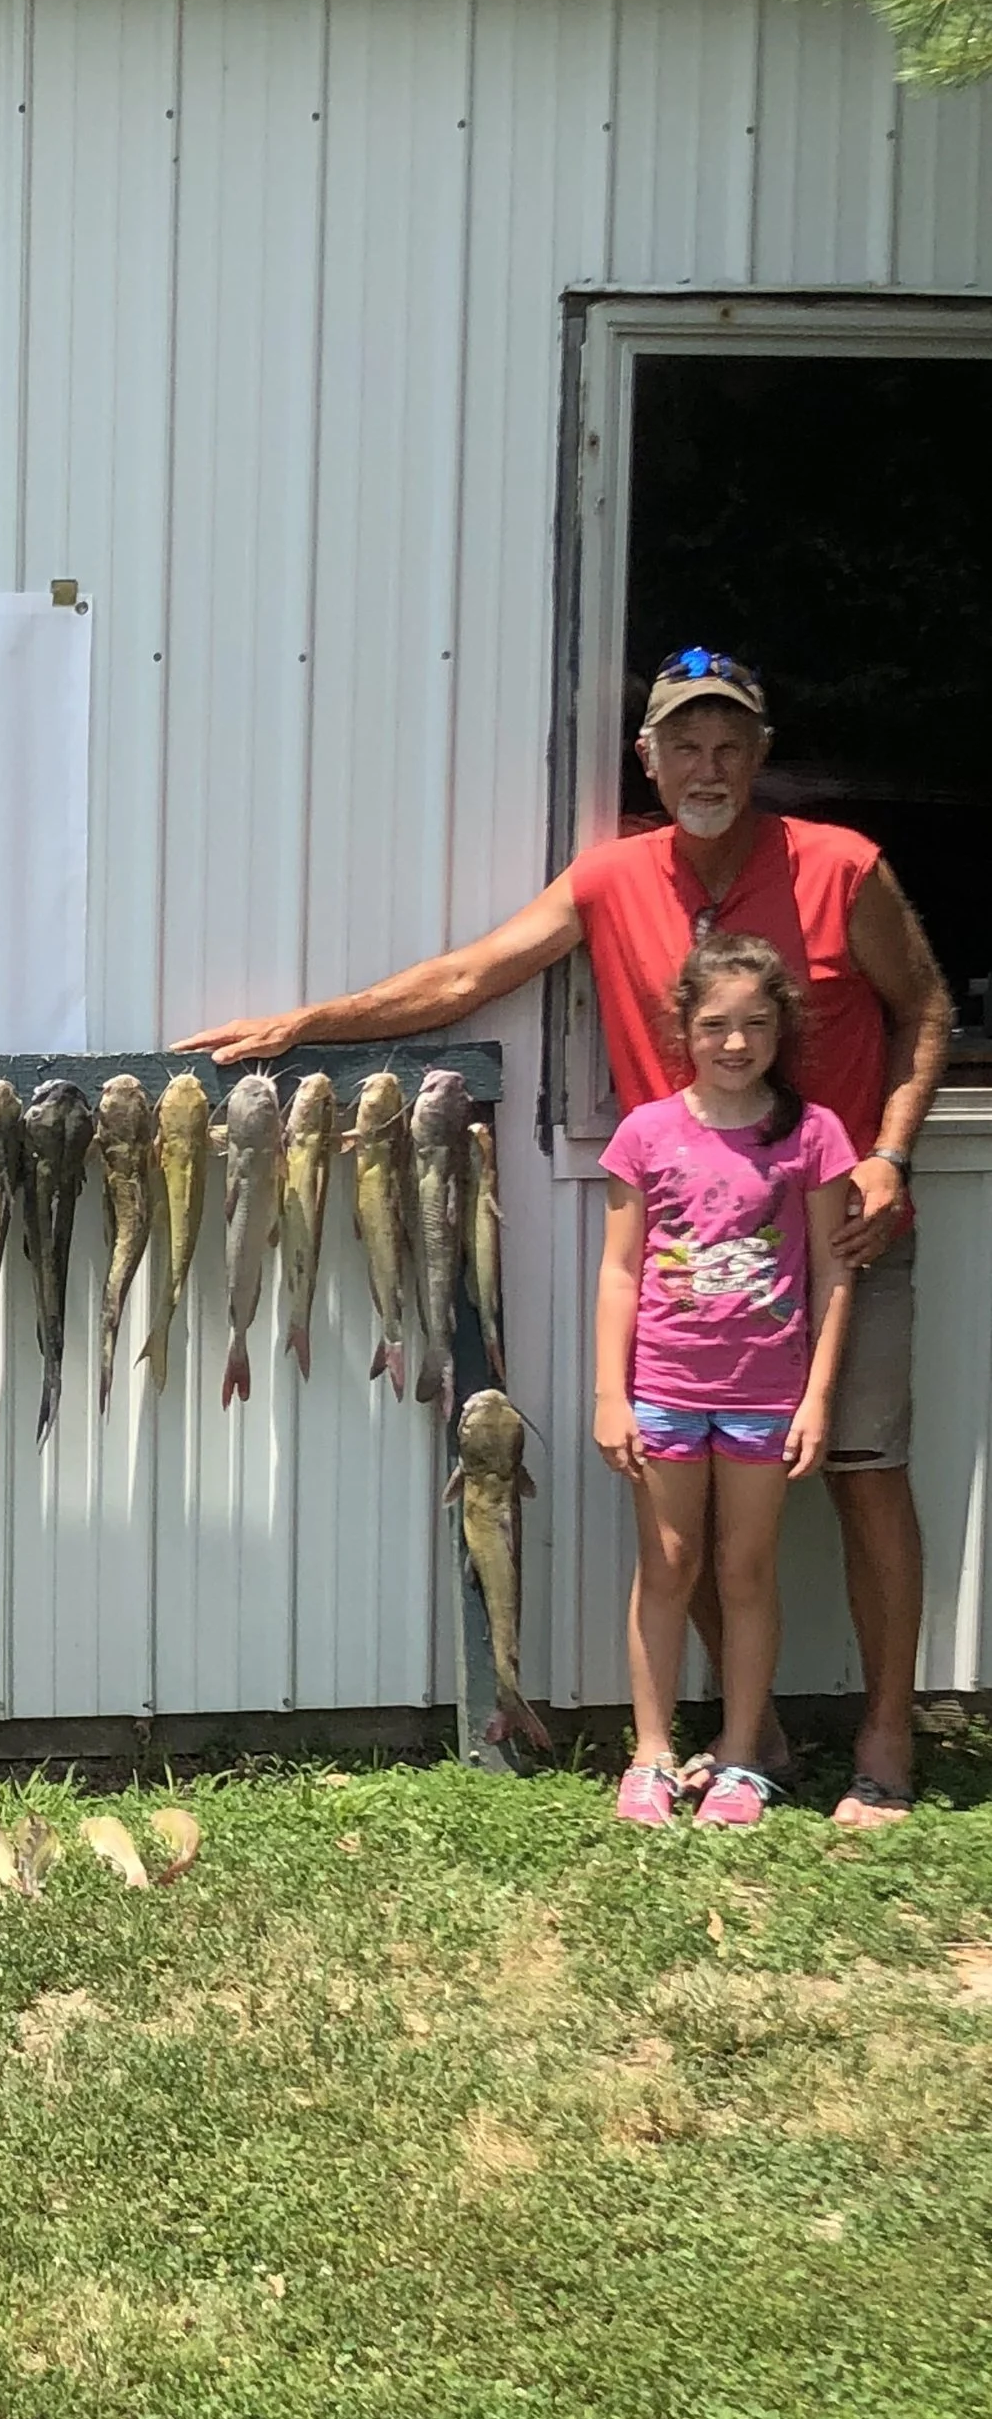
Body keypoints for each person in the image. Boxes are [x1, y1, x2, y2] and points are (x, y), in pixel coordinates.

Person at [182, 648, 951, 1825]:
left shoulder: (841, 869)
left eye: (729, 743)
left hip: (837, 1232)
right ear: (647, 759)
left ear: (758, 755)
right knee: (685, 1499)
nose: (708, 764)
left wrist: (891, 1157)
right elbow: (469, 974)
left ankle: (887, 1743)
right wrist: (307, 1026)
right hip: (694, 1255)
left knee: (862, 1474)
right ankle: (761, 1744)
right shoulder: (608, 877)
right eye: (683, 744)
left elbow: (928, 1010)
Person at [594, 936, 855, 1830]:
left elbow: (833, 1271)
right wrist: (608, 1392)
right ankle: (651, 1753)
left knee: (745, 1571)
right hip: (665, 1386)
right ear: (685, 1030)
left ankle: (744, 1756)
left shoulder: (813, 1133)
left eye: (754, 1023)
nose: (735, 1043)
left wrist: (819, 1394)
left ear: (782, 1026)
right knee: (667, 1565)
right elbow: (620, 1272)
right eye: (715, 1025)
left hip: (764, 1392)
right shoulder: (646, 1134)